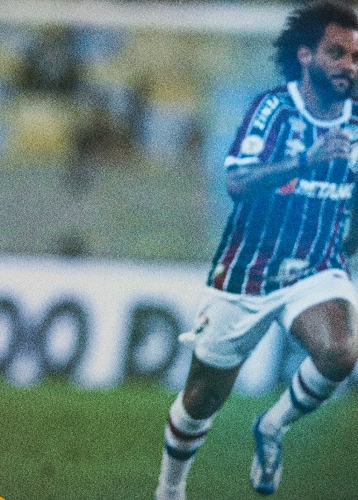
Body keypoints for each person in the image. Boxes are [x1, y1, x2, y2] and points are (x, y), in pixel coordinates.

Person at [155, 2, 358, 498]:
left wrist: (341, 255)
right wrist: (305, 161)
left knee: (339, 354)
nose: (349, 66)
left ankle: (273, 426)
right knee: (202, 398)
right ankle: (169, 489)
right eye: (337, 53)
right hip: (247, 271)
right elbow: (237, 181)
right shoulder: (273, 108)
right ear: (306, 55)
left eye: (356, 57)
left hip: (317, 266)